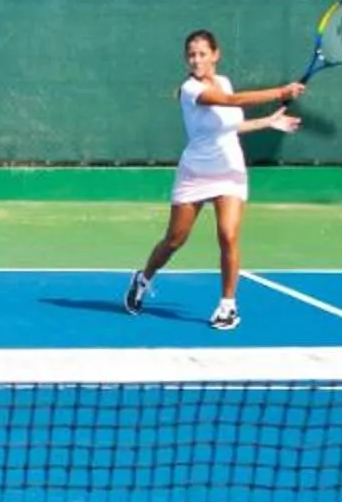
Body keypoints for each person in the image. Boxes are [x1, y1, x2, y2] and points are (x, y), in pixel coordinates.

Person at [122, 29, 301, 330]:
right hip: (195, 174)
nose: (196, 59)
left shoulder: (224, 81)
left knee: (228, 235)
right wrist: (280, 93)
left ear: (216, 55)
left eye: (202, 53)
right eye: (191, 54)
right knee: (174, 240)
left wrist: (269, 121)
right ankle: (143, 278)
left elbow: (231, 126)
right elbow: (233, 100)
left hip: (230, 172)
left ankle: (227, 306)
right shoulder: (190, 90)